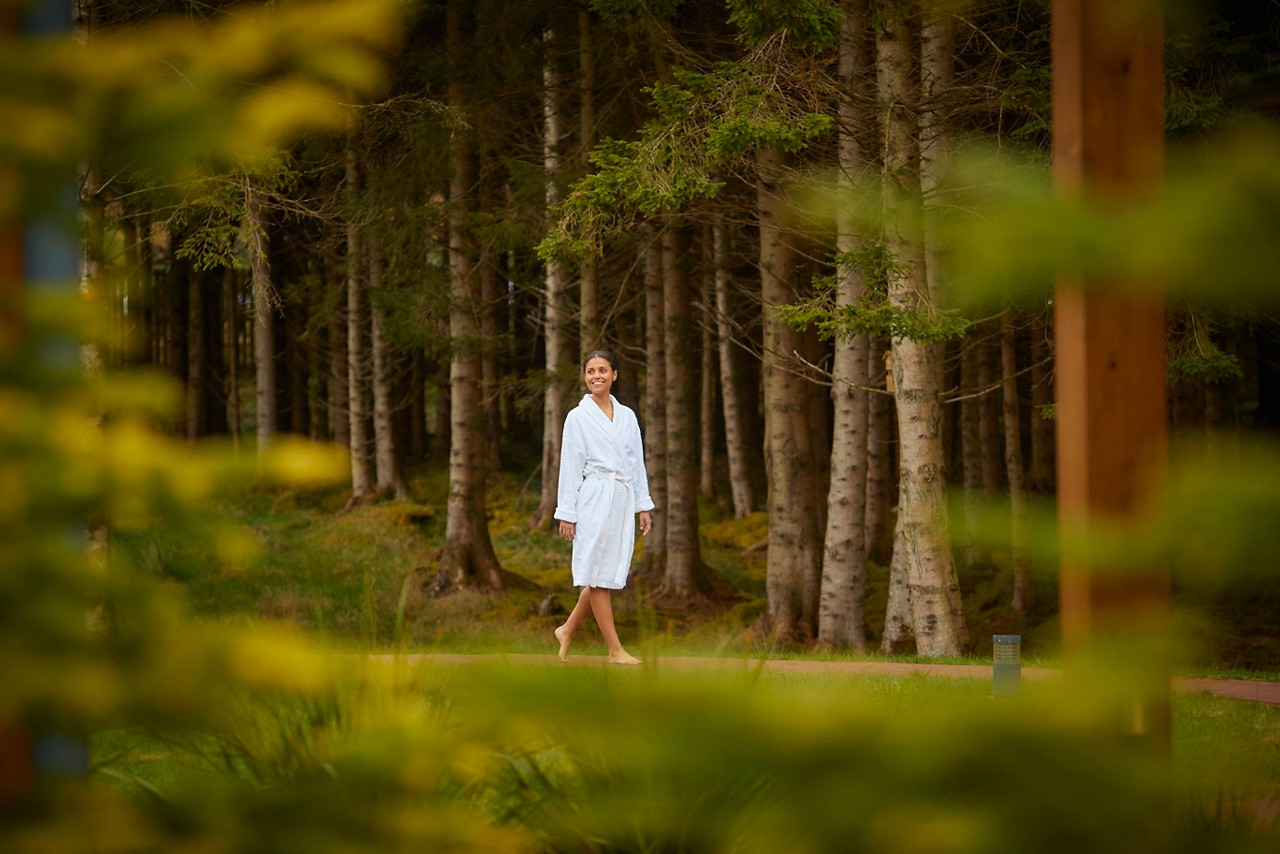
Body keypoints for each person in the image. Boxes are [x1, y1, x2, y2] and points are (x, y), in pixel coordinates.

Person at [553, 350, 654, 665]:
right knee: (596, 574)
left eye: (603, 370)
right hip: (594, 496)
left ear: (614, 375)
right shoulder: (578, 417)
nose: (596, 376)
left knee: (603, 572)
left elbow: (637, 463)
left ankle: (567, 629)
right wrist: (567, 512)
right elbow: (570, 465)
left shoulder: (627, 416)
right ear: (585, 376)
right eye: (590, 371)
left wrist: (643, 505)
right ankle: (615, 650)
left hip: (621, 498)